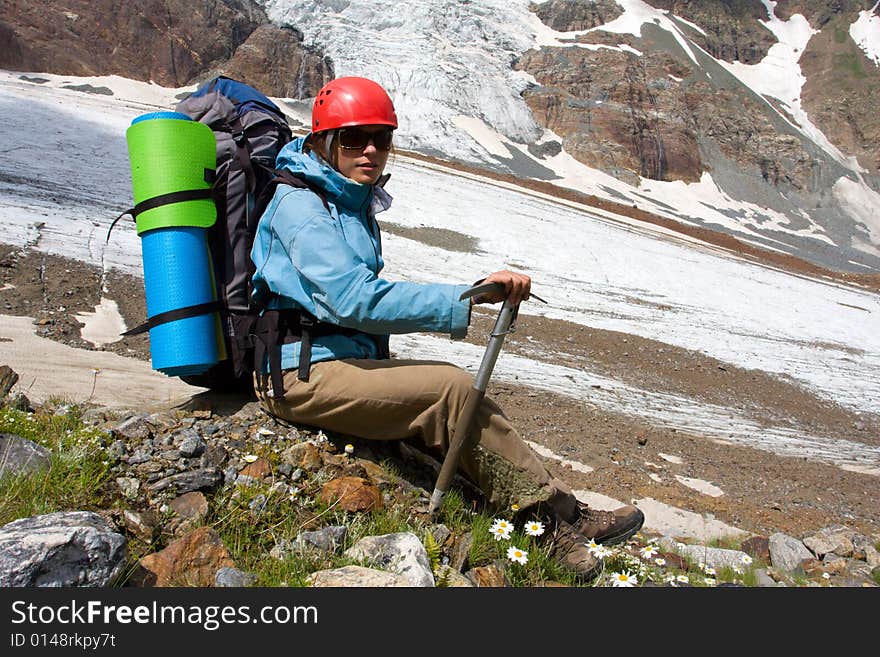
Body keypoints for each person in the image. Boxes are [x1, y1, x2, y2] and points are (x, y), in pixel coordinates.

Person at [249, 76, 643, 580]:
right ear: (324, 141)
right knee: (451, 389)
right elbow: (353, 298)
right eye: (354, 139)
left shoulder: (345, 199)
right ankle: (549, 526)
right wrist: (467, 296)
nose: (370, 150)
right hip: (296, 374)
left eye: (382, 138)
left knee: (454, 398)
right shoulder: (302, 207)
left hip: (330, 360)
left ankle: (563, 510)